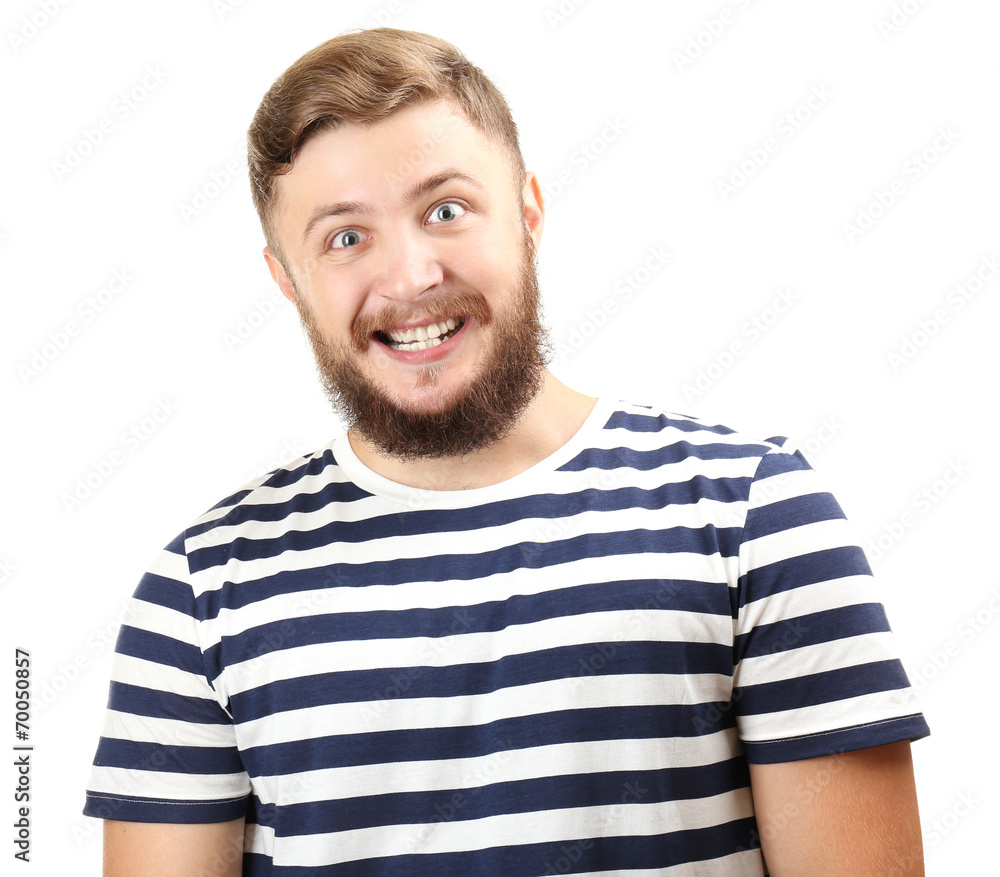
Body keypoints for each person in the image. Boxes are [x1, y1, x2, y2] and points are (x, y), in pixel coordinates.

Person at [84, 27, 929, 876]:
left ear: (528, 214)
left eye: (444, 210)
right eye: (344, 237)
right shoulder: (198, 593)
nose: (410, 276)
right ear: (287, 279)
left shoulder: (754, 516)